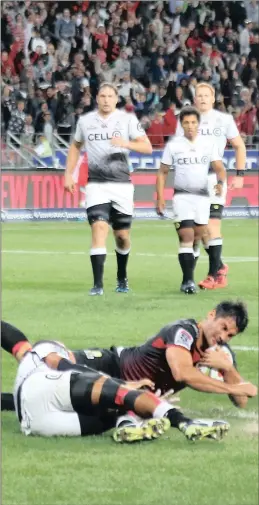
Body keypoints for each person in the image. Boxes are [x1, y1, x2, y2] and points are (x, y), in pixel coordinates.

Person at [2, 301, 257, 415]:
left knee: (49, 400)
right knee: (39, 360)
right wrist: (228, 385)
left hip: (126, 394)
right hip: (111, 364)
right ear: (211, 315)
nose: (224, 337)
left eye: (230, 335)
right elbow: (183, 374)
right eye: (223, 327)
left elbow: (241, 401)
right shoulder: (184, 331)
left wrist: (229, 369)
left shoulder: (220, 354)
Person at [9, 331, 230, 442]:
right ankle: (185, 423)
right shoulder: (45, 349)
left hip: (33, 424)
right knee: (119, 393)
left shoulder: (27, 365)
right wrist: (125, 384)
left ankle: (127, 425)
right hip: (40, 389)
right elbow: (66, 365)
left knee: (108, 413)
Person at [64, 82, 152, 296]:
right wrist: (69, 174)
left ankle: (122, 276)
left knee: (122, 236)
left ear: (116, 99)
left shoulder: (127, 120)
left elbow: (147, 147)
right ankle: (98, 285)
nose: (105, 99)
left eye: (110, 96)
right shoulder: (85, 121)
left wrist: (126, 144)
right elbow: (76, 146)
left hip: (121, 185)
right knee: (99, 229)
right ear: (97, 99)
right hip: (96, 185)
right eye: (102, 96)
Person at [175, 83, 247, 290]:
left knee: (212, 225)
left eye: (207, 95)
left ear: (213, 98)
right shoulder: (185, 120)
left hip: (214, 178)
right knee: (196, 230)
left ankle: (213, 274)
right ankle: (219, 266)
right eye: (199, 95)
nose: (203, 99)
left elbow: (239, 146)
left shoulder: (223, 119)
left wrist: (240, 174)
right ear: (194, 98)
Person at [156, 106, 226, 294]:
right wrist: (160, 197)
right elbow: (162, 172)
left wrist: (220, 182)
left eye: (193, 122)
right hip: (182, 197)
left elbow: (219, 168)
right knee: (186, 236)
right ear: (181, 124)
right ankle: (187, 281)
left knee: (197, 238)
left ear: (198, 124)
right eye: (186, 122)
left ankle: (199, 276)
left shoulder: (208, 144)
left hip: (203, 198)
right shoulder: (173, 145)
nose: (190, 126)